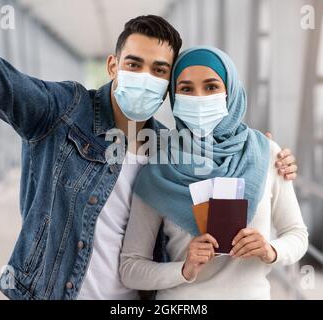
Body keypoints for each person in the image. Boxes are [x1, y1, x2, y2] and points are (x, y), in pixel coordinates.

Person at [0, 0, 298, 300]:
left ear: (168, 85)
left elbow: (225, 161)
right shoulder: (63, 111)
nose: (145, 77)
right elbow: (3, 83)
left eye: (159, 70)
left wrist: (263, 152)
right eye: (134, 64)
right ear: (113, 66)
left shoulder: (169, 151)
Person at [120, 47, 309, 300]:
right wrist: (183, 270)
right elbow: (130, 268)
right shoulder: (159, 169)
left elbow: (297, 234)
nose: (199, 98)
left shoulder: (266, 154)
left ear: (230, 91)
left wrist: (270, 249)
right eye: (186, 89)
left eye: (211, 87)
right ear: (174, 97)